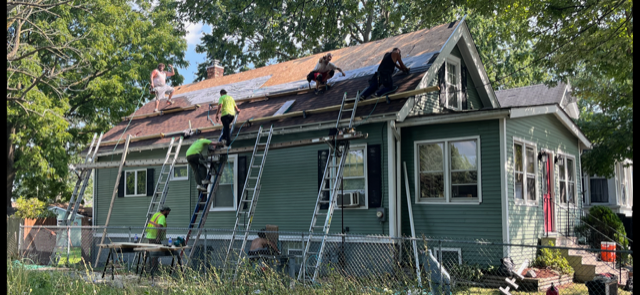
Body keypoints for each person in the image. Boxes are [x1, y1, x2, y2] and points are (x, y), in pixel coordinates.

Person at [145, 206, 171, 274]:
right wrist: (158, 237)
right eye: (168, 212)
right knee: (155, 253)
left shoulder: (156, 214)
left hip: (150, 235)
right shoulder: (162, 217)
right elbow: (159, 226)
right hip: (154, 237)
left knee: (154, 252)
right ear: (165, 211)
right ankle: (151, 268)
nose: (168, 214)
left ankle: (153, 267)